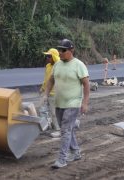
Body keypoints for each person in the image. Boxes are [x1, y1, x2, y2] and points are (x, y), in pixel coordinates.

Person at [44, 39, 90, 169]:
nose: (60, 52)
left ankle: (62, 159)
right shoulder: (57, 65)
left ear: (71, 50)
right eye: (59, 50)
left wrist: (85, 103)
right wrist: (45, 94)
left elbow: (86, 84)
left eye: (63, 50)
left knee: (65, 130)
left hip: (73, 103)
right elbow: (51, 80)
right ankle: (76, 153)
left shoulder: (78, 65)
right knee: (68, 129)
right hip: (59, 103)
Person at [40, 48, 61, 137]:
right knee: (42, 110)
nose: (47, 58)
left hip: (54, 94)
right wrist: (42, 88)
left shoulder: (59, 66)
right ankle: (44, 127)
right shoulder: (48, 66)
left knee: (54, 113)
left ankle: (58, 129)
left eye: (49, 56)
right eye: (46, 56)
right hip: (45, 93)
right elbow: (46, 79)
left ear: (54, 57)